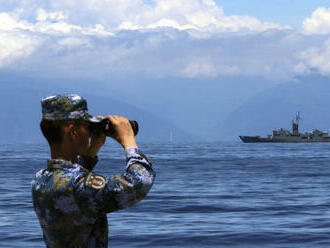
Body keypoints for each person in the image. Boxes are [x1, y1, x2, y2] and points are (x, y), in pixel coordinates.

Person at [31, 94, 155, 248]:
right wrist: (128, 140)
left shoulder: (40, 180)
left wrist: (91, 151)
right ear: (72, 131)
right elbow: (139, 182)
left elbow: (71, 182)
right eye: (87, 127)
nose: (89, 133)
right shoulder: (80, 186)